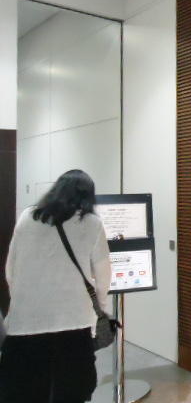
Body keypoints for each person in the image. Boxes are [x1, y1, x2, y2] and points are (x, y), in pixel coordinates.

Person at [0, 169, 111, 403]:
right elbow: (103, 277)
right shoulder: (92, 224)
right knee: (72, 390)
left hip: (26, 322)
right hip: (75, 322)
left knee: (24, 391)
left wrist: (23, 298)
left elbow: (11, 270)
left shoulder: (28, 217)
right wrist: (100, 309)